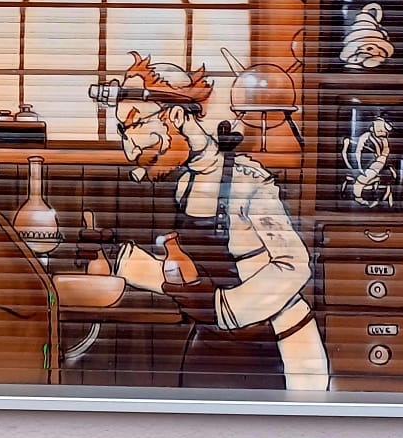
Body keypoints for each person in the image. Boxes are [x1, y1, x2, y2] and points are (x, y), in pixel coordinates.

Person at [94, 54, 329, 393]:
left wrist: (222, 306)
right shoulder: (185, 185)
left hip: (278, 349)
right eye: (124, 132)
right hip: (212, 344)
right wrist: (126, 264)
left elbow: (293, 264)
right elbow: (192, 272)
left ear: (176, 115)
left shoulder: (247, 183)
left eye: (136, 126)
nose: (131, 151)